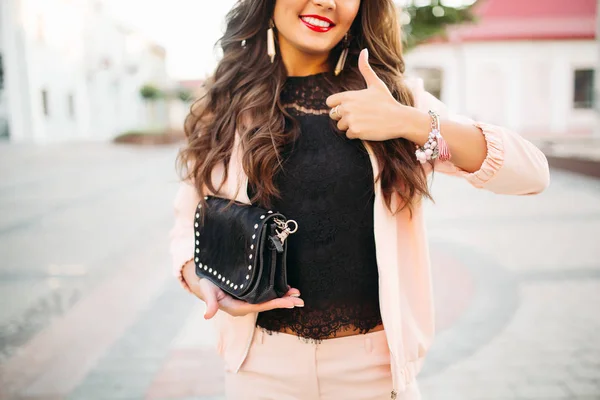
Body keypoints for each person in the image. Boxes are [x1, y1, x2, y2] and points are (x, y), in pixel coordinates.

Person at [169, 0, 550, 399]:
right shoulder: (229, 106)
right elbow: (187, 222)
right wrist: (201, 281)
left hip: (372, 370)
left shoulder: (390, 98)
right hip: (259, 367)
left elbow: (531, 173)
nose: (327, 2)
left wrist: (410, 122)